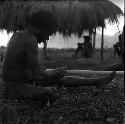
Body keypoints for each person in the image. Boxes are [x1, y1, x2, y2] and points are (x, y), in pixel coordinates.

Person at [2, 11, 116, 104]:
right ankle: (45, 89)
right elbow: (37, 74)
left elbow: (32, 70)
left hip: (25, 81)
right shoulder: (30, 39)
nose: (46, 38)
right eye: (47, 34)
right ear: (36, 27)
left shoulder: (18, 35)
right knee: (52, 93)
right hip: (15, 88)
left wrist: (54, 72)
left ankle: (98, 81)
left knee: (58, 78)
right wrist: (54, 72)